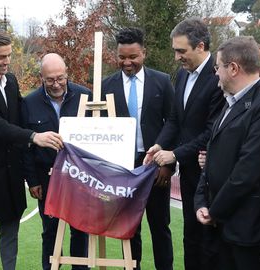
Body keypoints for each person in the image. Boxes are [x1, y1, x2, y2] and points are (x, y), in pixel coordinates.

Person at [0, 29, 64, 270]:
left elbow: (18, 118)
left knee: (10, 236)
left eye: (9, 55)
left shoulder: (12, 81)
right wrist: (34, 136)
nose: (7, 61)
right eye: (1, 57)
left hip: (11, 175)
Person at [193, 36, 260, 270]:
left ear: (233, 68)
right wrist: (200, 201)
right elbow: (211, 156)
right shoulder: (228, 102)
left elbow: (247, 171)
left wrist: (214, 210)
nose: (215, 74)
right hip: (217, 228)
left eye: (217, 67)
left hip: (245, 230)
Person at [143, 17, 225, 270]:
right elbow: (176, 120)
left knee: (208, 240)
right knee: (190, 235)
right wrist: (159, 145)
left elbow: (211, 131)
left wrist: (174, 155)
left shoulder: (218, 77)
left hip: (210, 171)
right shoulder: (182, 74)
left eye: (182, 51)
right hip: (189, 173)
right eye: (175, 51)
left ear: (200, 46)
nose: (177, 56)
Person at [101, 27, 174, 270]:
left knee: (159, 226)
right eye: (122, 57)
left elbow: (173, 123)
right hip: (123, 168)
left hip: (154, 166)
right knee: (129, 228)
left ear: (144, 52)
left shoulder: (162, 81)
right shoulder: (105, 86)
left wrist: (167, 164)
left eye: (133, 56)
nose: (127, 62)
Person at [22, 53, 89, 270]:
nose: (56, 84)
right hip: (46, 178)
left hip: (81, 178)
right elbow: (25, 147)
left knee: (80, 230)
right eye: (50, 79)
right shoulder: (29, 102)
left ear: (67, 73)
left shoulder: (85, 97)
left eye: (60, 78)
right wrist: (32, 180)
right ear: (41, 77)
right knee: (50, 231)